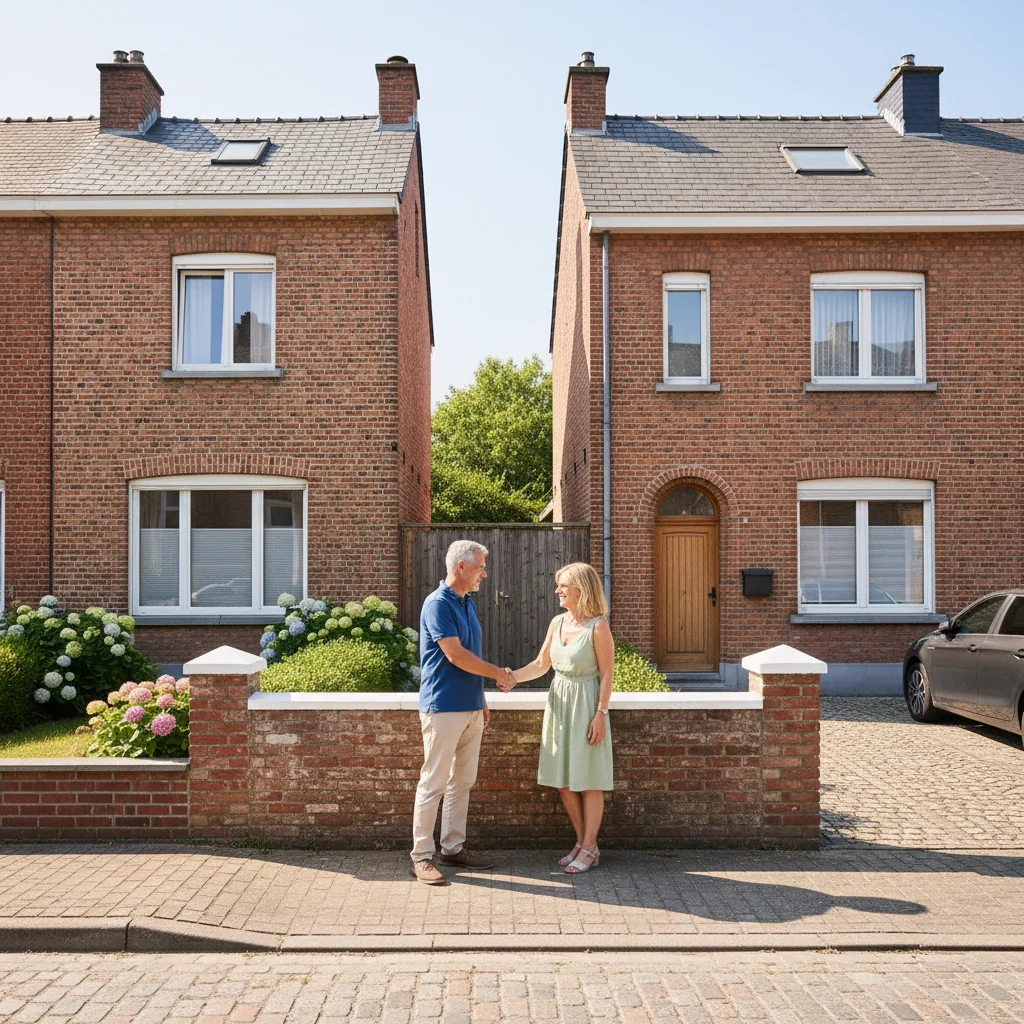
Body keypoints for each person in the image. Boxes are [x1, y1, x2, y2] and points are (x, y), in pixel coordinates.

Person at [410, 539, 515, 885]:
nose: (484, 573)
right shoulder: (438, 604)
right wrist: (498, 674)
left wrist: (480, 697)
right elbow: (456, 655)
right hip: (443, 707)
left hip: (470, 707)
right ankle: (421, 857)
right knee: (434, 782)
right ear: (461, 567)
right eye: (481, 567)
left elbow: (470, 655)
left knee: (463, 782)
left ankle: (452, 848)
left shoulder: (467, 603)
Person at [502, 562, 613, 874]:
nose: (558, 591)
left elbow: (607, 675)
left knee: (589, 781)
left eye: (564, 585)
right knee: (563, 782)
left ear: (582, 588)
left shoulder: (598, 627)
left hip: (587, 704)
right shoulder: (557, 623)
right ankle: (582, 843)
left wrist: (600, 714)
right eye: (559, 585)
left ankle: (589, 847)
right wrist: (509, 677)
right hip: (560, 704)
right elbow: (540, 664)